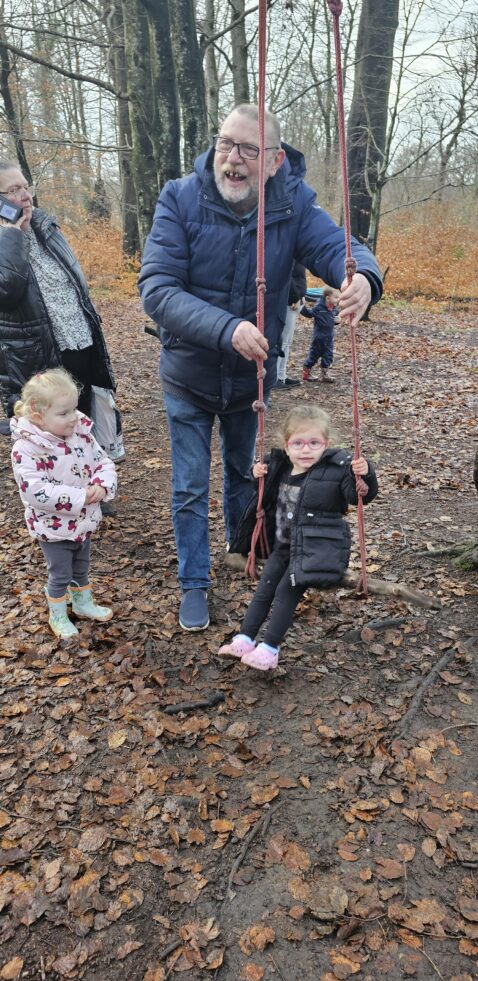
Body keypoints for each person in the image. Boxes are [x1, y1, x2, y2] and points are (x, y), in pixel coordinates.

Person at [139, 103, 382, 631]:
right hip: (188, 373)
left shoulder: (291, 204)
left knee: (245, 476)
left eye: (248, 149)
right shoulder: (180, 198)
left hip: (251, 379)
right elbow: (157, 289)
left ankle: (242, 551)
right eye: (227, 143)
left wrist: (362, 275)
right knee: (188, 486)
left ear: (273, 160)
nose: (232, 158)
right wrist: (226, 329)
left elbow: (338, 247)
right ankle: (194, 583)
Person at [218, 403, 378, 670]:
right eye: (299, 443)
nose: (306, 450)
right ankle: (245, 638)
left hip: (312, 550)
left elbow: (358, 495)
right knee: (263, 590)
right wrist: (255, 474)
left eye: (314, 443)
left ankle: (269, 648)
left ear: (326, 444)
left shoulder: (337, 470)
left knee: (284, 593)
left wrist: (366, 474)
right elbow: (262, 492)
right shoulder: (279, 467)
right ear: (286, 444)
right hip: (281, 547)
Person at [0, 161, 124, 500]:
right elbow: (6, 289)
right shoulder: (4, 238)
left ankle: (90, 489)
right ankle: (57, 500)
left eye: (24, 186)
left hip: (79, 340)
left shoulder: (45, 224)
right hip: (37, 352)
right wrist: (11, 232)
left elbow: (74, 279)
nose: (25, 195)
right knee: (50, 429)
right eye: (13, 191)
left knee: (81, 421)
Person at [10, 368, 117, 639]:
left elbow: (103, 461)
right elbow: (35, 490)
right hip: (53, 528)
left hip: (83, 521)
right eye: (63, 413)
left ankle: (82, 603)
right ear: (38, 415)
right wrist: (81, 497)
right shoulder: (27, 448)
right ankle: (57, 613)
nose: (73, 418)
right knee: (60, 572)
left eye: (73, 409)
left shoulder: (81, 434)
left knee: (81, 567)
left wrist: (101, 485)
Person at [274, 261, 306, 390]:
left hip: (295, 301)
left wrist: (302, 296)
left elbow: (299, 278)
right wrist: (295, 297)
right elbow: (287, 276)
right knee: (282, 342)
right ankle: (275, 377)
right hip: (289, 302)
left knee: (288, 342)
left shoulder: (299, 255)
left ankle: (282, 376)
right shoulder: (291, 255)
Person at [301, 285, 340, 383]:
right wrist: (301, 306)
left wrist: (338, 320)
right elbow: (309, 314)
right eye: (336, 297)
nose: (338, 300)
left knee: (328, 355)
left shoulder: (334, 309)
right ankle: (306, 371)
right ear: (327, 298)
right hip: (319, 338)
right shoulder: (319, 307)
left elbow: (335, 319)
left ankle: (325, 373)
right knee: (314, 355)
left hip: (329, 337)